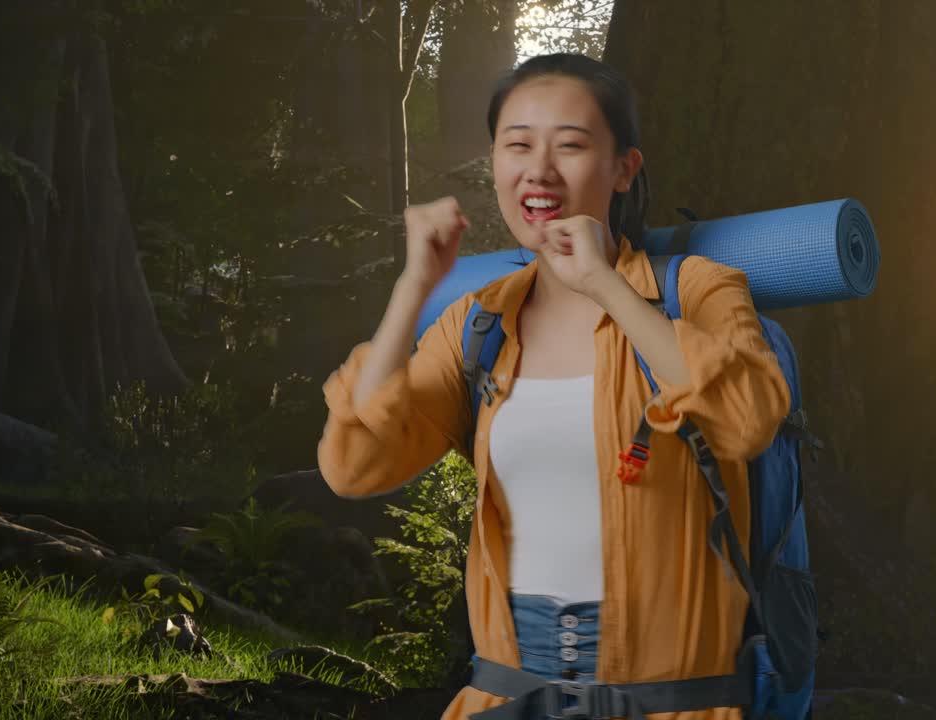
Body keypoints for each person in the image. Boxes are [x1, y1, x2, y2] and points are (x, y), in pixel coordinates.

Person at [317, 52, 791, 720]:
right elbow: (355, 465)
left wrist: (604, 283)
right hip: (507, 694)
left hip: (674, 700)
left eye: (570, 145)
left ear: (624, 167)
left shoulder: (697, 291)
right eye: (517, 145)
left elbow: (746, 418)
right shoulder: (478, 323)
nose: (539, 169)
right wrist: (412, 287)